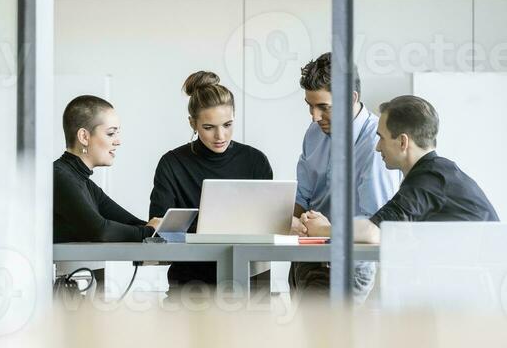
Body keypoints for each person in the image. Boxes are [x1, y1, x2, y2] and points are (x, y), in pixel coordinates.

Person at [304, 95, 499, 244]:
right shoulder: (436, 173)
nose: (377, 146)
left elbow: (374, 231)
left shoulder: (429, 178)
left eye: (382, 137)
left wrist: (323, 229)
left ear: (403, 141)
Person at [290, 53, 399, 300]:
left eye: (324, 108)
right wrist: (288, 221)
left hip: (345, 265)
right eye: (310, 105)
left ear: (351, 98)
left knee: (322, 337)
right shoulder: (313, 133)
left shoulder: (376, 143)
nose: (314, 116)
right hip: (304, 258)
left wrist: (326, 229)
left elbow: (377, 224)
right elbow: (302, 198)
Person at [150, 71, 272, 285]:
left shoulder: (255, 161)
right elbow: (161, 230)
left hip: (249, 278)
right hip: (190, 281)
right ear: (192, 124)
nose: (220, 136)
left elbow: (267, 226)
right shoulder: (172, 164)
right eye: (209, 128)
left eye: (227, 125)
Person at [54, 95, 161, 243]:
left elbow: (131, 223)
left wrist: (157, 228)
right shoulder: (59, 177)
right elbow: (101, 231)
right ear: (84, 137)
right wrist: (149, 231)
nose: (118, 141)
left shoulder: (85, 183)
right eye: (111, 133)